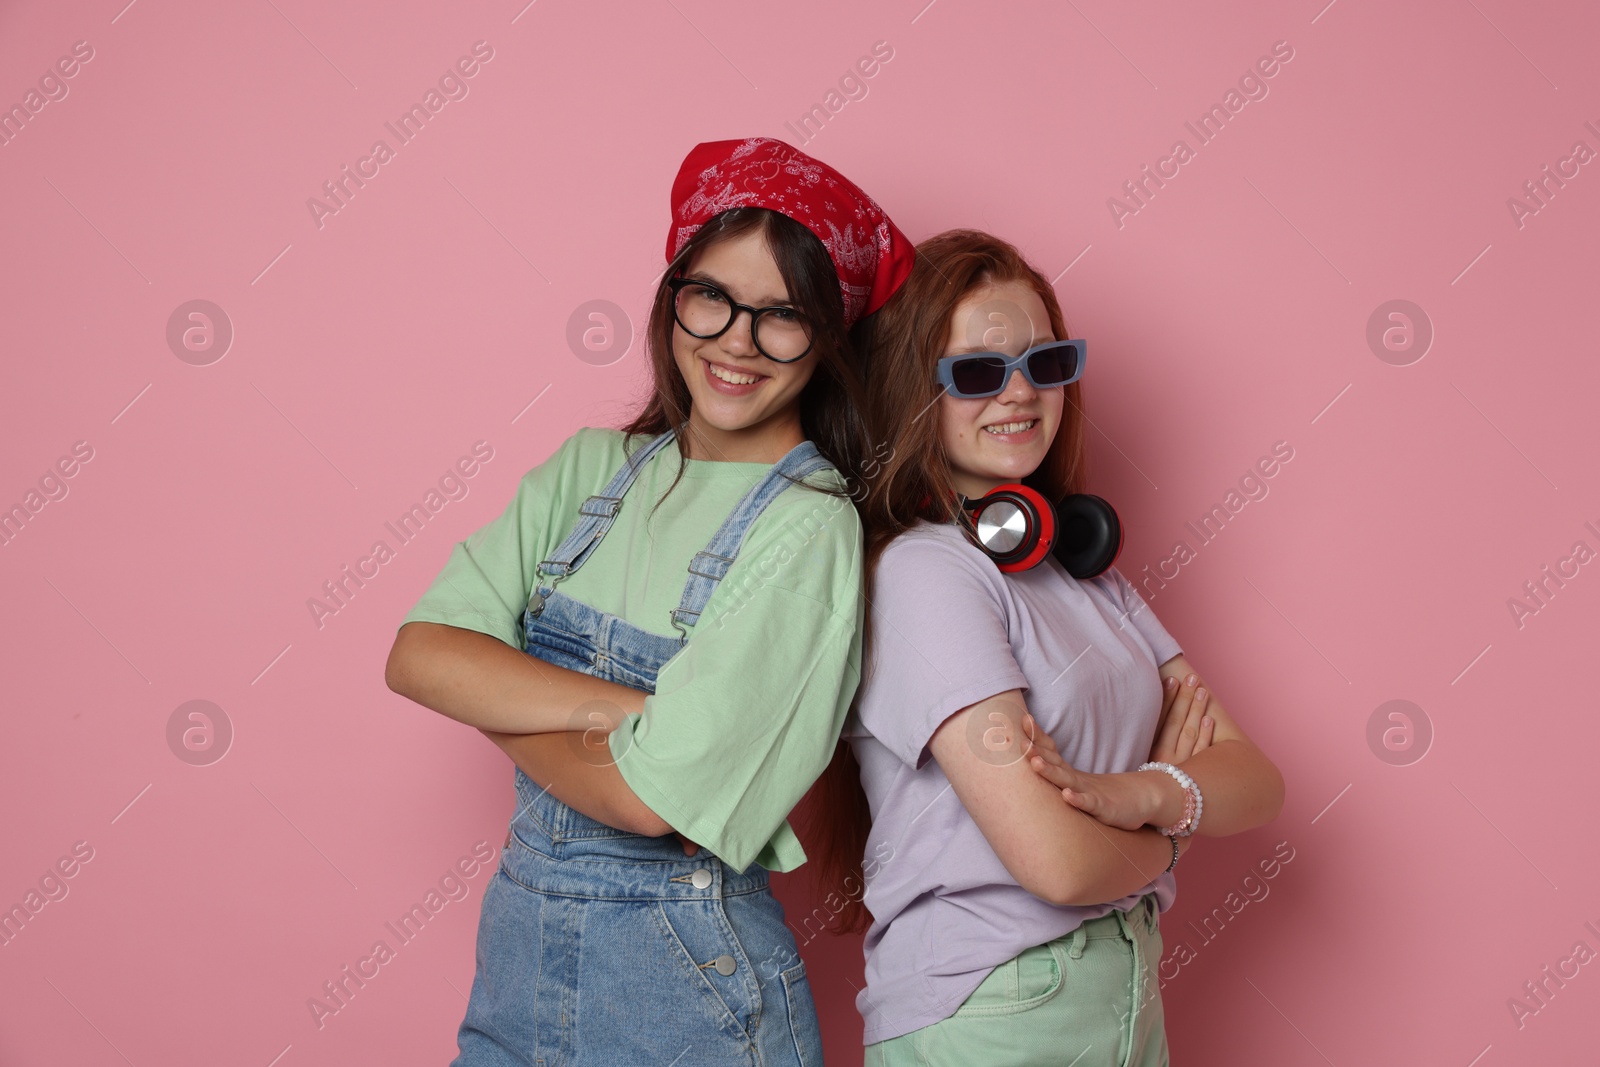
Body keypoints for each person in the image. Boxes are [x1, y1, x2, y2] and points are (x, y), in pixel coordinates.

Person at [384, 137, 913, 1066]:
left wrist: (492, 697)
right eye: (711, 297)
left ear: (825, 339)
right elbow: (419, 655)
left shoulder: (807, 527)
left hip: (689, 991)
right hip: (516, 960)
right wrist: (631, 711)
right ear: (674, 298)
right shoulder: (593, 470)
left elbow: (644, 801)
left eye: (782, 315)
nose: (736, 342)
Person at [847, 229, 1285, 1065]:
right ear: (914, 390)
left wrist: (1140, 791)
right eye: (977, 372)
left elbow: (1259, 783)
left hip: (1120, 987)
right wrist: (1181, 822)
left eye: (1044, 364)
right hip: (995, 1002)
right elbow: (1058, 864)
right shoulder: (926, 576)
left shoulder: (1086, 576)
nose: (1018, 394)